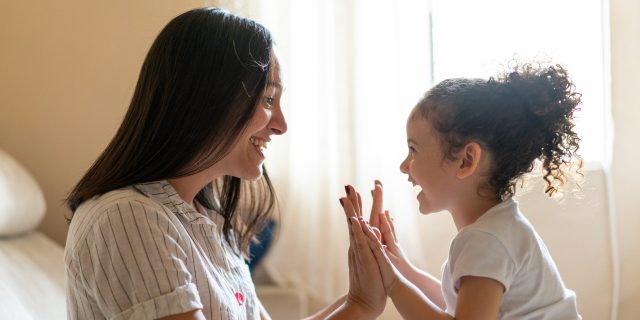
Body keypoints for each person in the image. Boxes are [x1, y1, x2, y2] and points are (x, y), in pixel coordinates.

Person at [64, 7, 385, 320]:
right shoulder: (127, 217)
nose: (282, 125)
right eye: (268, 99)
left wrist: (360, 300)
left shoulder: (206, 218)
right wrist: (359, 308)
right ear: (208, 97)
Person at [339, 62, 583, 319]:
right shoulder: (496, 229)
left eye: (413, 150)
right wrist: (399, 266)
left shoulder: (488, 241)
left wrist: (393, 284)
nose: (403, 166)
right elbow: (456, 306)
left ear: (466, 160)